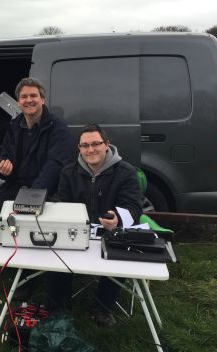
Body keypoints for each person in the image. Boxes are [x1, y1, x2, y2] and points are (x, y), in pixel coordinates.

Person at [45, 123, 143, 326]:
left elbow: (134, 207)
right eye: (84, 145)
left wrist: (117, 219)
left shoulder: (126, 172)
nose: (90, 150)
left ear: (107, 144)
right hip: (76, 230)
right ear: (79, 148)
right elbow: (60, 200)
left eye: (95, 144)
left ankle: (103, 306)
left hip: (111, 232)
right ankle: (59, 307)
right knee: (55, 252)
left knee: (118, 255)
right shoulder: (68, 172)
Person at [0, 77, 76, 250]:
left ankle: (26, 264)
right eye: (24, 97)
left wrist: (30, 199)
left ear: (42, 99)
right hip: (16, 187)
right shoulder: (15, 125)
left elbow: (54, 167)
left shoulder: (58, 129)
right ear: (18, 101)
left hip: (47, 192)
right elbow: (4, 156)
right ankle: (13, 257)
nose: (28, 100)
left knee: (21, 232)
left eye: (33, 95)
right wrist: (3, 170)